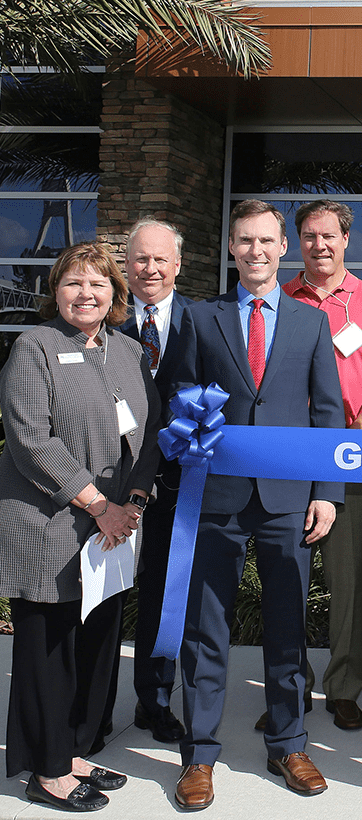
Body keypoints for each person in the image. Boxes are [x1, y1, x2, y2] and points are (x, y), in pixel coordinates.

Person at [172, 199, 346, 810]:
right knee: (207, 629)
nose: (256, 251)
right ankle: (199, 753)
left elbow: (328, 413)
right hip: (216, 496)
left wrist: (328, 493)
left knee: (287, 627)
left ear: (283, 248)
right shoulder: (200, 316)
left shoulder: (309, 322)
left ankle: (289, 741)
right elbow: (179, 393)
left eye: (267, 241)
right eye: (245, 240)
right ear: (231, 249)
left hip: (287, 501)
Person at [0, 241, 161, 810]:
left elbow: (150, 432)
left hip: (114, 528)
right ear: (55, 291)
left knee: (93, 641)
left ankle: (68, 750)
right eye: (73, 283)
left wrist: (133, 502)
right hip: (50, 525)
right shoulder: (34, 346)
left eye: (98, 283)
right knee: (50, 646)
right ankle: (45, 772)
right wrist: (100, 506)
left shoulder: (128, 351)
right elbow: (30, 439)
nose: (86, 293)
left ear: (117, 294)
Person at [282, 200, 362, 732]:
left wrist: (352, 446)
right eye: (309, 236)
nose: (319, 245)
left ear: (346, 239)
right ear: (297, 242)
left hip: (349, 461)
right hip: (286, 463)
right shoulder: (279, 299)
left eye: (328, 236)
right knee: (288, 580)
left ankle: (344, 686)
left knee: (348, 583)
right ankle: (288, 685)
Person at [121, 218, 195, 746]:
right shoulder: (105, 320)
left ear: (177, 264)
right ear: (126, 264)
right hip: (112, 484)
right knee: (107, 596)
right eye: (141, 259)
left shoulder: (203, 319)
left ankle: (157, 698)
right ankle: (90, 702)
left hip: (182, 485)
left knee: (165, 592)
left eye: (160, 259)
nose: (151, 269)